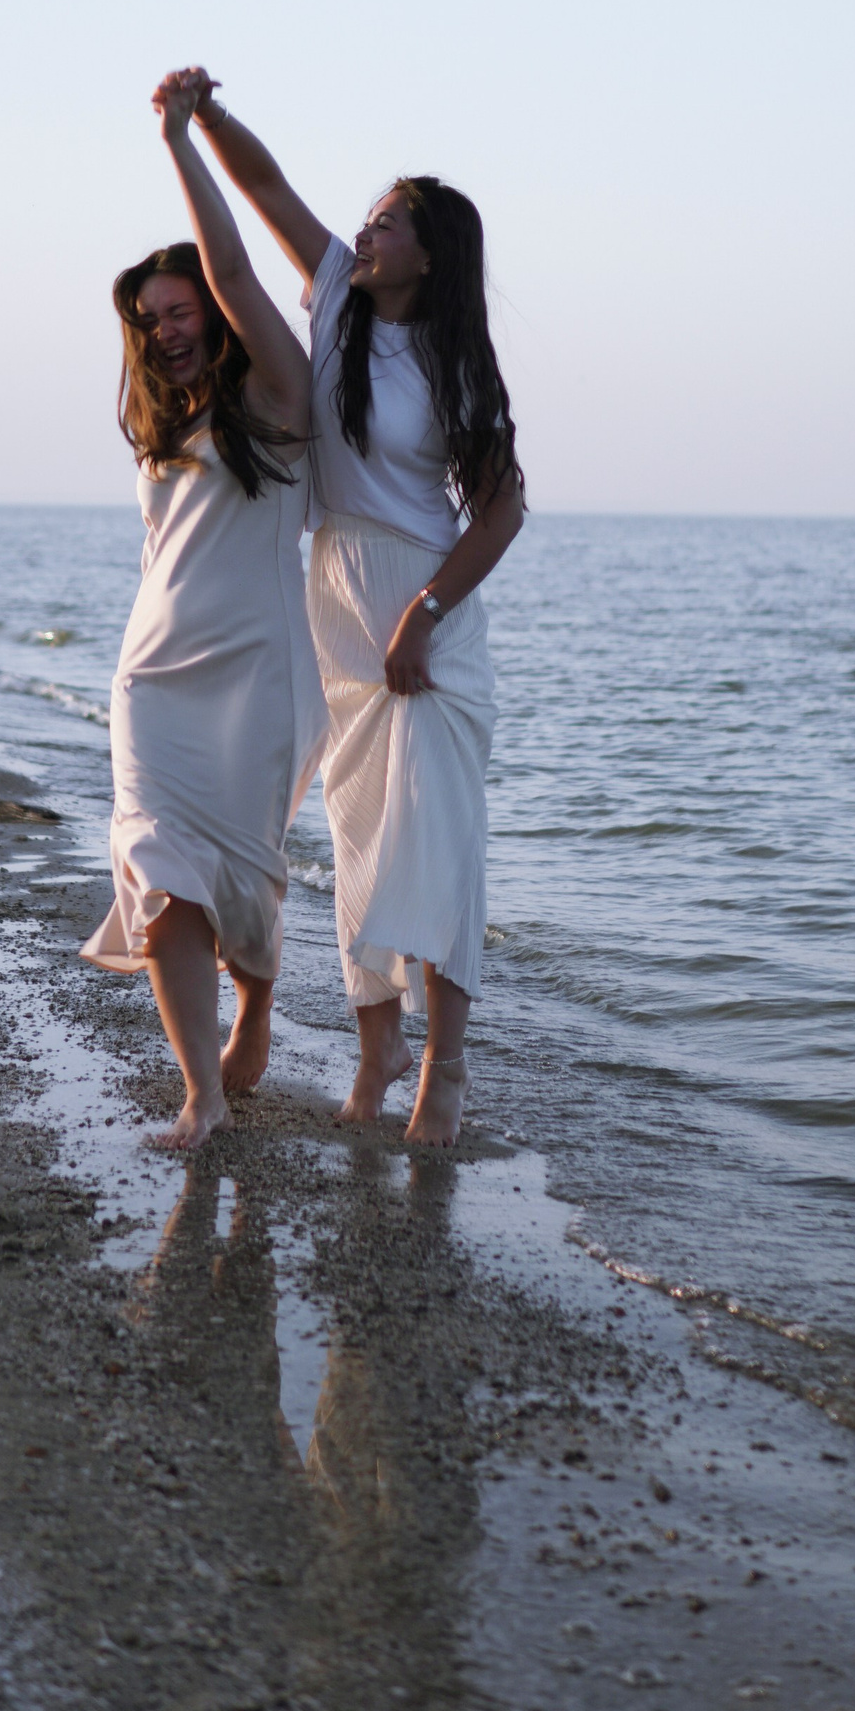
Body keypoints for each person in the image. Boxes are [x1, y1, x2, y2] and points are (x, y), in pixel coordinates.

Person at [179, 69, 525, 1147]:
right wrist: (204, 117)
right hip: (334, 595)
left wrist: (425, 613)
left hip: (425, 613)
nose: (365, 233)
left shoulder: (457, 364)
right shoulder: (333, 294)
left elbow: (503, 512)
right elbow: (267, 189)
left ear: (431, 253)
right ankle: (379, 1052)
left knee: (439, 841)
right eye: (367, 219)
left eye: (388, 223)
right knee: (360, 834)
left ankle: (445, 1072)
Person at [79, 73, 326, 1152]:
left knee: (246, 877)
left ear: (216, 317)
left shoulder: (279, 397)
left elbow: (232, 266)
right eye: (151, 320)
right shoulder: (162, 421)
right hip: (154, 678)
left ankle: (255, 1005)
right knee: (161, 874)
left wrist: (181, 137)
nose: (167, 331)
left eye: (180, 313)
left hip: (260, 674)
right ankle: (201, 1096)